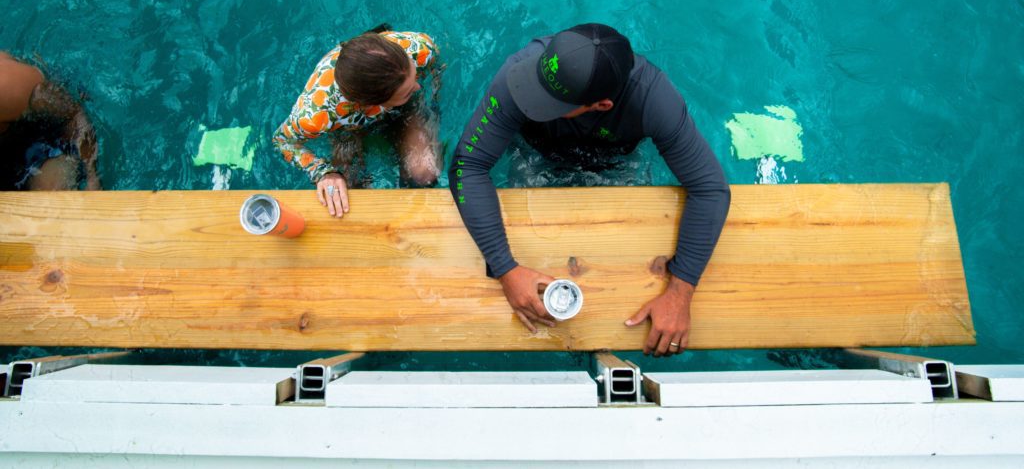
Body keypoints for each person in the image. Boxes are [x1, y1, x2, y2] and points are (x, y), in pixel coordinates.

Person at [448, 23, 730, 357]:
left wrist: (681, 292)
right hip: (537, 153)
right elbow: (468, 165)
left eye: (548, 102)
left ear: (602, 105)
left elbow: (710, 188)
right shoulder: (518, 73)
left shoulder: (653, 97)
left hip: (614, 161)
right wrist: (505, 268)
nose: (529, 97)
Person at [273, 26, 442, 218]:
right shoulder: (317, 114)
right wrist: (324, 172)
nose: (419, 86)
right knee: (350, 195)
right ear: (371, 104)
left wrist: (429, 104)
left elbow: (435, 67)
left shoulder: (417, 49)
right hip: (347, 128)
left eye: (415, 76)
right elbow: (282, 140)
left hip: (399, 102)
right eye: (409, 89)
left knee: (424, 175)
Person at [0, 52, 102, 191]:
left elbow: (74, 115)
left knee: (52, 193)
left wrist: (92, 176)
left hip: (46, 136)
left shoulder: (6, 86)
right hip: (7, 143)